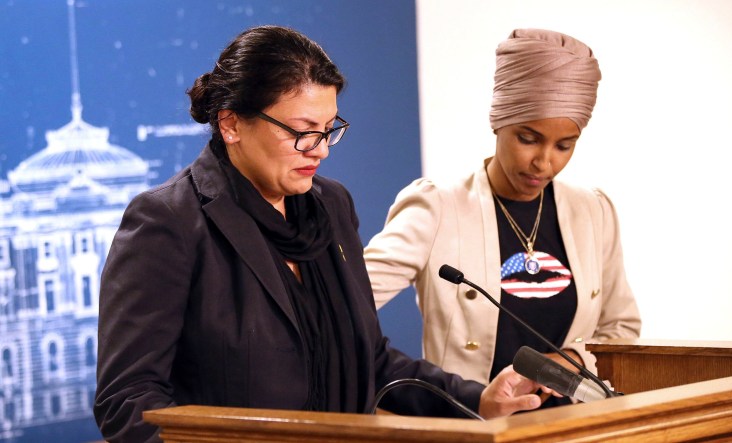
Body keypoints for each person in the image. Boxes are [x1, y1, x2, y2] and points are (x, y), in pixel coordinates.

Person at [93, 25, 551, 443]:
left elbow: (369, 360)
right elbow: (127, 399)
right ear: (231, 124)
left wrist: (478, 402)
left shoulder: (331, 206)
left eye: (329, 130)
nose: (321, 150)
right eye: (302, 131)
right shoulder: (168, 221)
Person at [364, 29, 642, 407]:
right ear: (498, 121)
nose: (544, 162)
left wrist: (574, 358)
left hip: (576, 422)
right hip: (474, 422)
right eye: (528, 138)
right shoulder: (438, 207)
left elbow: (620, 327)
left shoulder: (592, 210)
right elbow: (345, 302)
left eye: (564, 145)